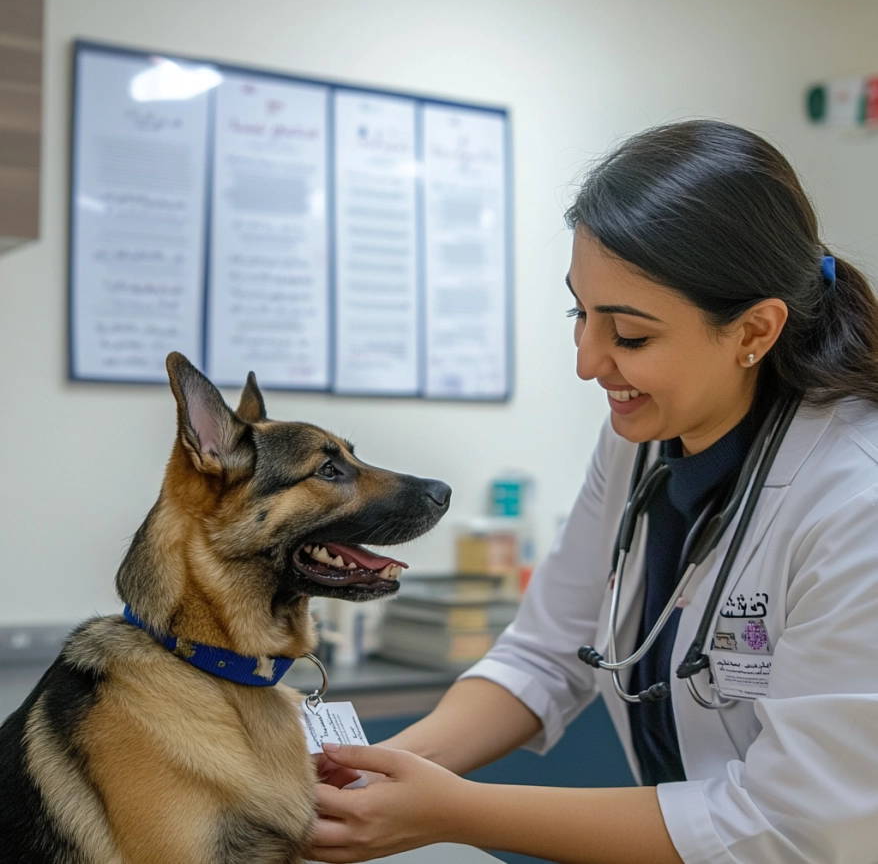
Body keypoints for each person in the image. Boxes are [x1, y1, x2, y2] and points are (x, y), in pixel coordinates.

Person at [307, 120, 878, 864]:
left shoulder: (853, 500)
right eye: (581, 312)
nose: (588, 362)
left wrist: (458, 813)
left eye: (630, 336)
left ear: (754, 331)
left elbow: (795, 824)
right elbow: (545, 655)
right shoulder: (641, 439)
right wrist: (373, 777)